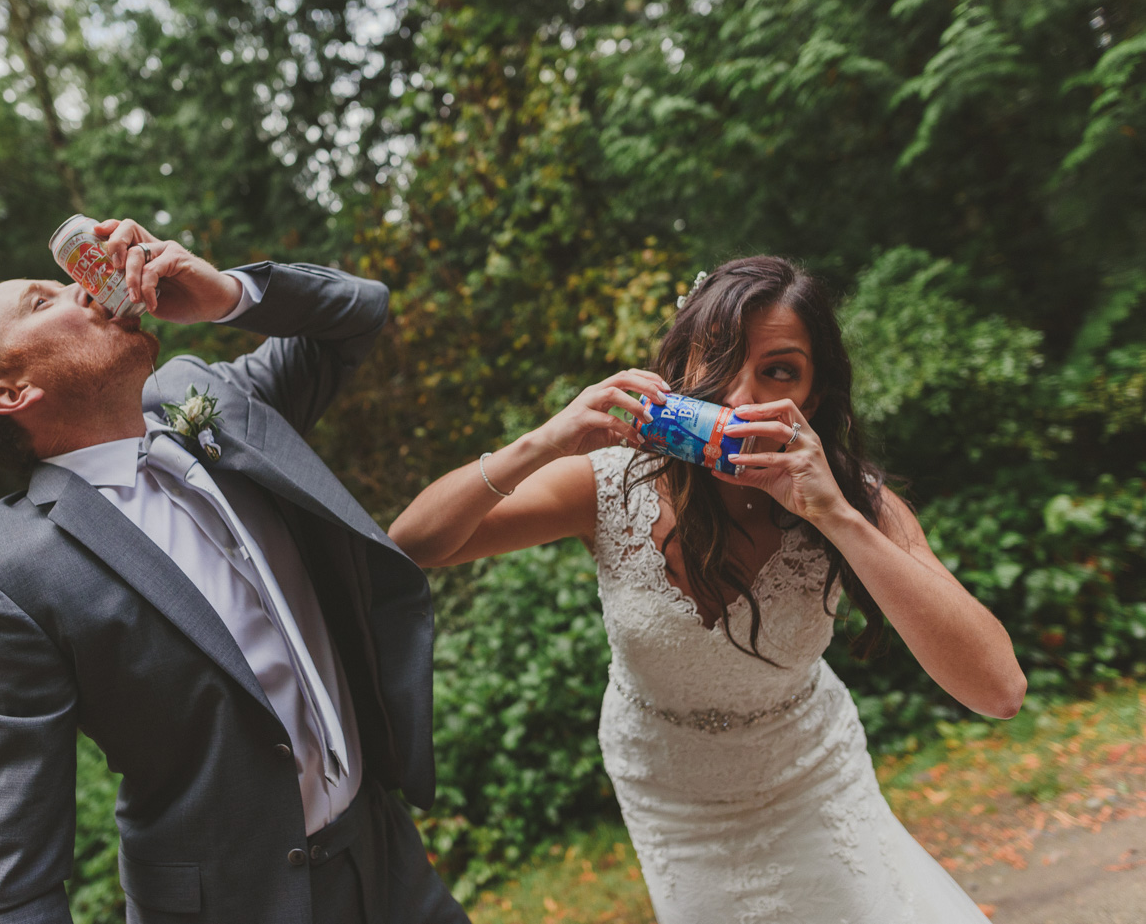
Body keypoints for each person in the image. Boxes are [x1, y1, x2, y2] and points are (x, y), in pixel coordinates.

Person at [388, 256, 1027, 923]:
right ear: (682, 370)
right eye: (718, 359)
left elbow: (999, 689)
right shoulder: (609, 484)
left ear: (813, 394)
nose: (740, 397)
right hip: (672, 800)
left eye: (778, 370)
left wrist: (835, 515)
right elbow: (413, 542)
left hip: (812, 780)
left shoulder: (854, 502)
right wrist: (544, 441)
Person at [0, 217, 469, 924]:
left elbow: (358, 312)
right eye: (42, 301)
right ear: (13, 392)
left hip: (391, 864)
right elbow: (13, 880)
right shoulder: (11, 573)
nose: (85, 288)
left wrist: (228, 296)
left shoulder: (214, 403)